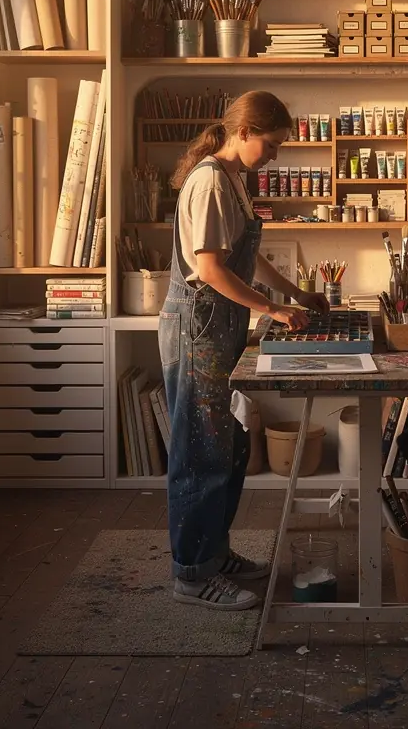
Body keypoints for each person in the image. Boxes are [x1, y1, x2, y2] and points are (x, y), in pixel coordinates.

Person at [159, 91, 330, 611]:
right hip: (197, 329)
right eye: (273, 145)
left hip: (218, 328)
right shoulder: (210, 180)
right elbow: (210, 270)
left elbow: (246, 260)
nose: (276, 155)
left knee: (229, 447)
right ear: (246, 130)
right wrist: (274, 312)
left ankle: (215, 554)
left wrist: (295, 293)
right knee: (200, 455)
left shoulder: (234, 178)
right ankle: (191, 575)